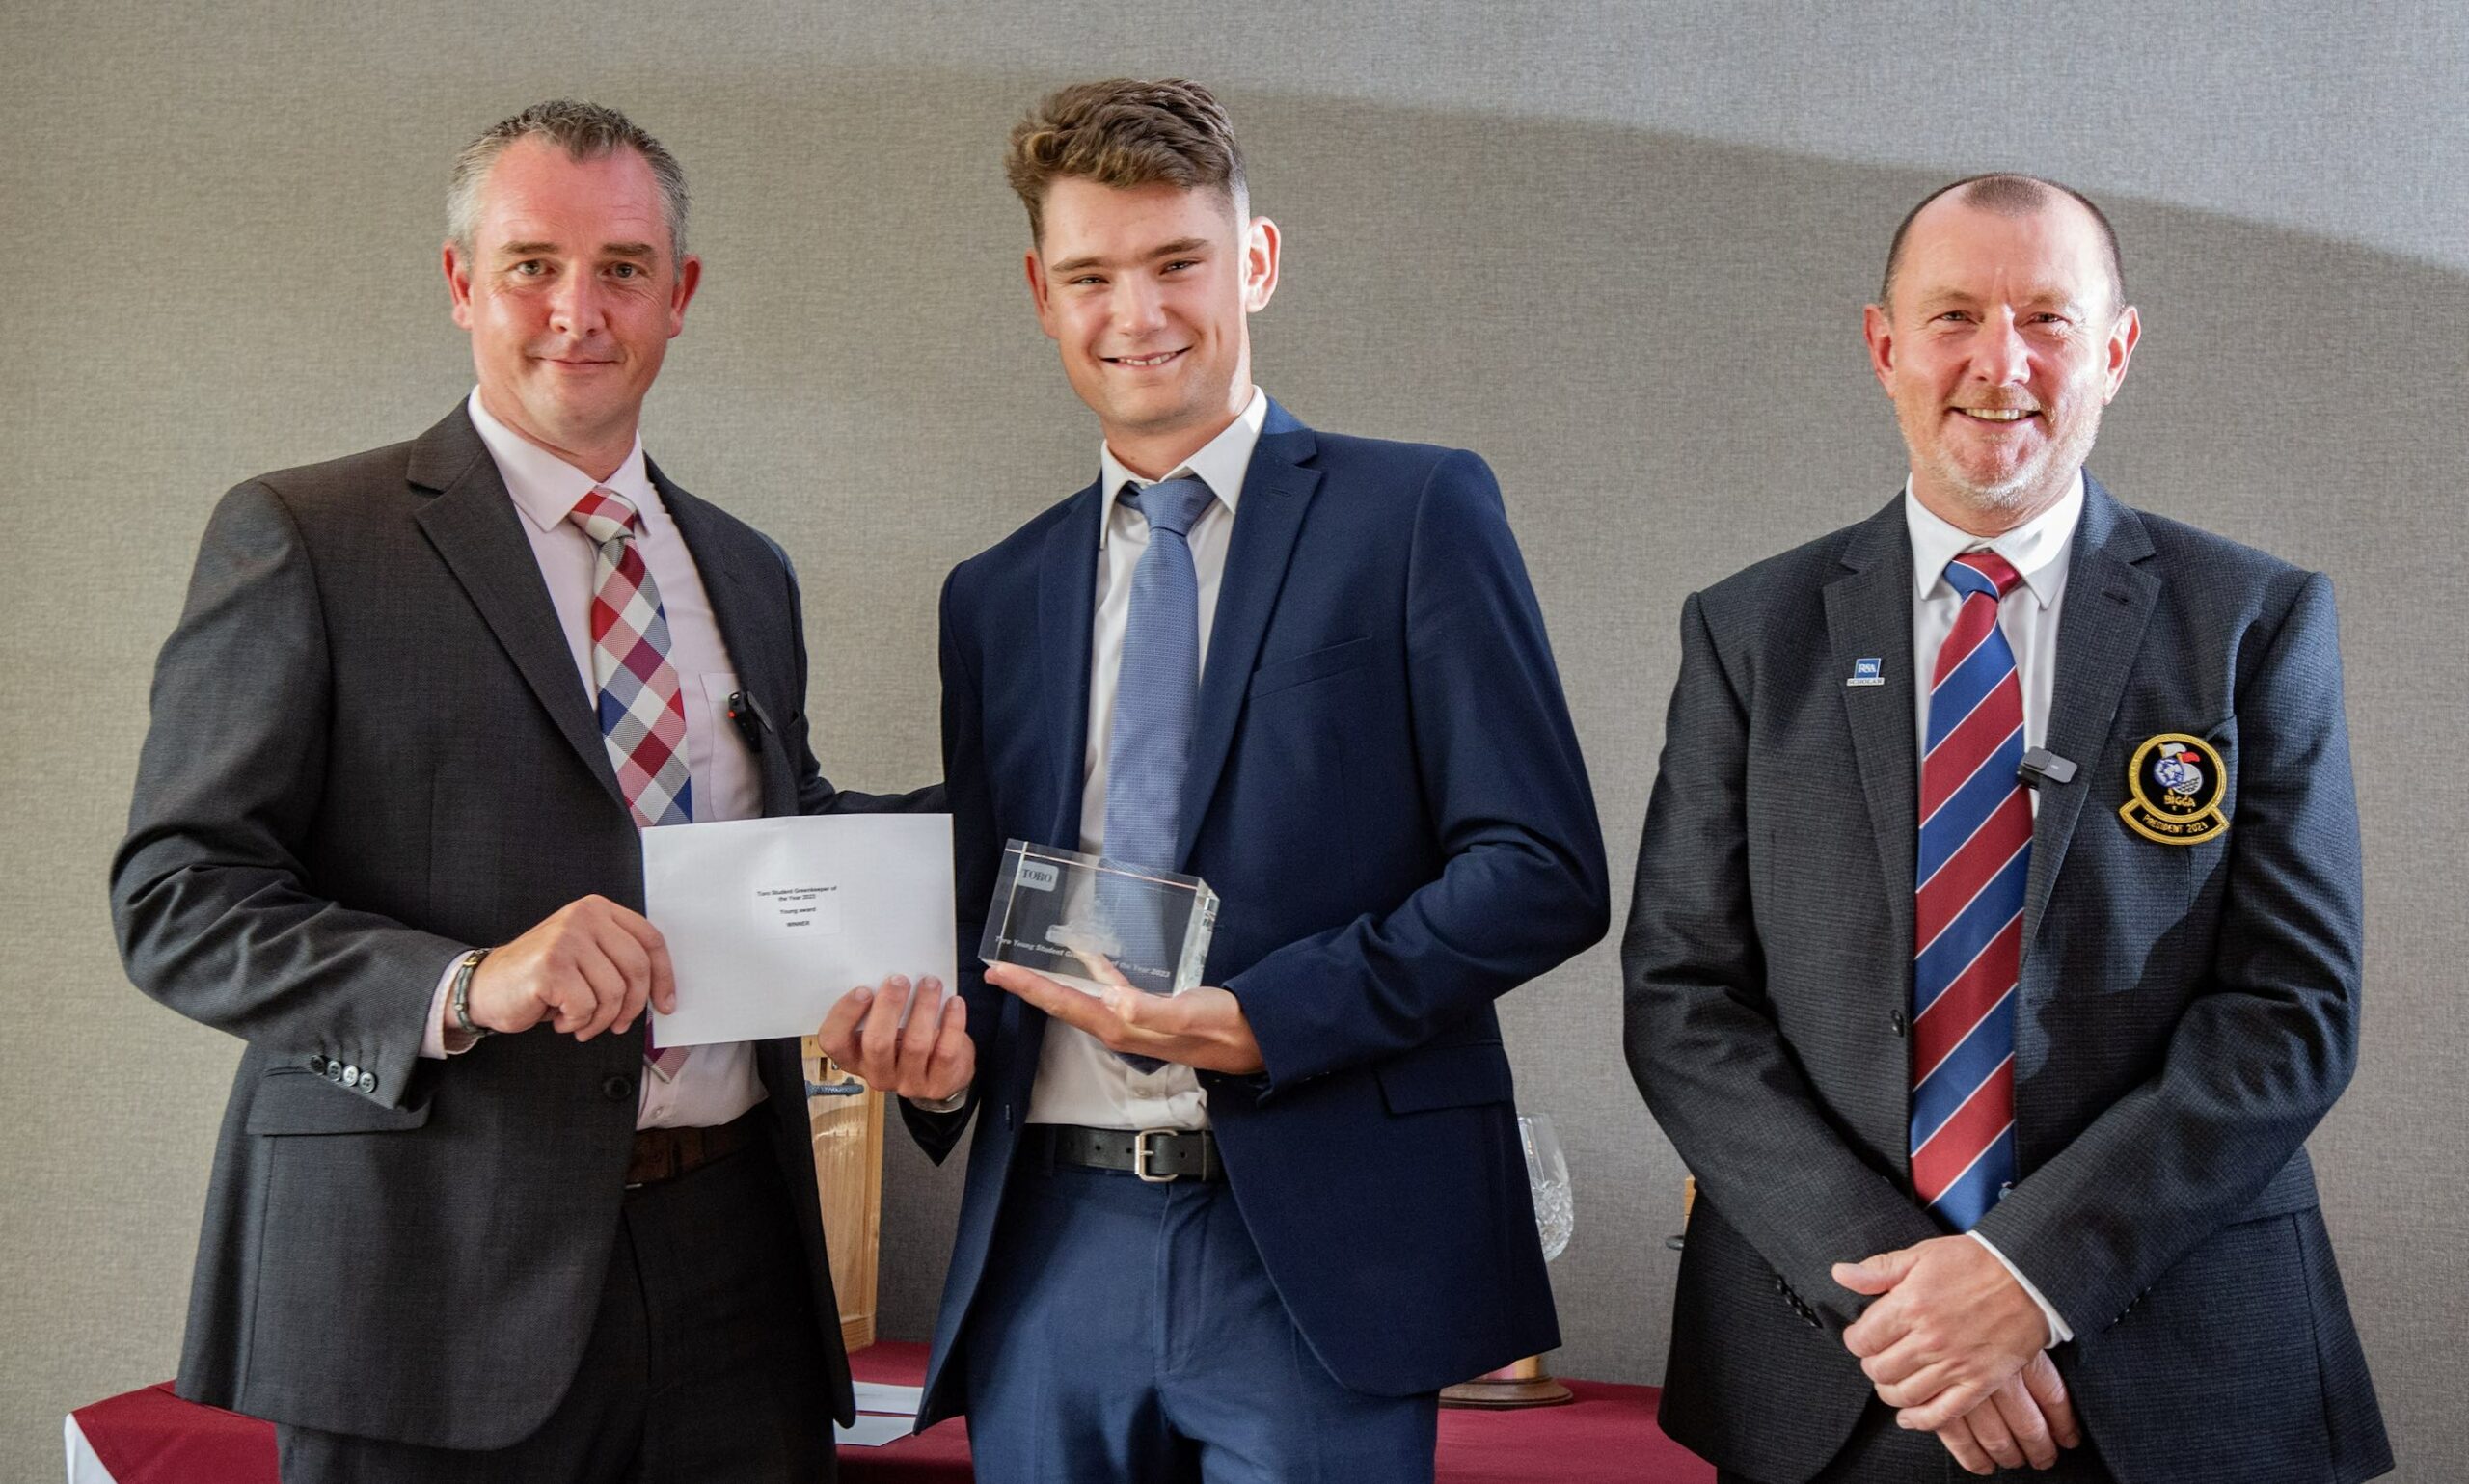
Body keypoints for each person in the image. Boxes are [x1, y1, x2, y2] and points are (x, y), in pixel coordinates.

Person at [111, 100, 934, 1482]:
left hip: (737, 1282)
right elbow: (177, 897)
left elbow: (767, 838)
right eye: (531, 264)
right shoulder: (310, 537)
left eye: (622, 268)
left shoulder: (748, 569)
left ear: (681, 297)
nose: (578, 309)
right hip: (429, 1290)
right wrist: (466, 980)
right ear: (460, 287)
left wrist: (995, 866)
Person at [818, 77, 1609, 1482]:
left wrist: (1260, 1018)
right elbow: (993, 910)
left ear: (1255, 261)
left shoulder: (1417, 513)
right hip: (1050, 1246)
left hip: (1311, 1241)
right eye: (1092, 275)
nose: (1139, 312)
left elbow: (1541, 872)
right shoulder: (995, 595)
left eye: (1178, 261)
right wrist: (933, 1073)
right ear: (1041, 293)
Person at [1621, 173, 2392, 1483]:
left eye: (2047, 317)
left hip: (2177, 1364)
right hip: (1841, 1371)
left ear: (2117, 350)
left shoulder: (2252, 623)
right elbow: (1685, 999)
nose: (2003, 362)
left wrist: (2025, 1277)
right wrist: (1915, 1304)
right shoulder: (1753, 634)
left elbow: (2293, 1008)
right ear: (1883, 347)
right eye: (1956, 316)